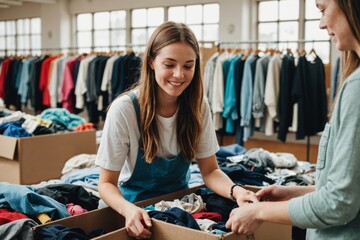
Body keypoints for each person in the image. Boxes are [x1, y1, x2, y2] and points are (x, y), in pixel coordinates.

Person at [96, 21, 259, 239]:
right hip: (135, 211)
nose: (179, 75)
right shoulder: (125, 110)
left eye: (188, 66)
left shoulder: (198, 106)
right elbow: (106, 184)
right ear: (152, 62)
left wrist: (237, 191)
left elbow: (210, 170)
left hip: (179, 207)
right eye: (170, 64)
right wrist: (129, 210)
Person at [225, 0, 360, 239]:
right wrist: (292, 193)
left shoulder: (357, 87)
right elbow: (349, 190)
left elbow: (337, 203)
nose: (321, 24)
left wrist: (259, 212)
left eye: (322, 9)